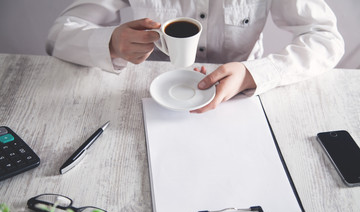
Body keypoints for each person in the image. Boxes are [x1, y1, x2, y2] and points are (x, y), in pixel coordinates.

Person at [46, 0, 344, 113]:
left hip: (240, 104)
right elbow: (59, 34)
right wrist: (110, 42)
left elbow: (326, 38)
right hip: (142, 102)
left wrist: (254, 74)